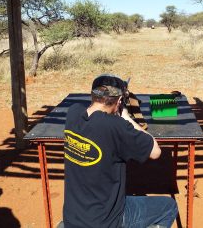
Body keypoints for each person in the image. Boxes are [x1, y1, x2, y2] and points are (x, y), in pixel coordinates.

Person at [61, 74, 178, 228]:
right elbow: (155, 152)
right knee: (169, 207)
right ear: (119, 101)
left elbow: (97, 121)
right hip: (105, 222)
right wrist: (125, 117)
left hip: (72, 218)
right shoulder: (116, 126)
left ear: (93, 95)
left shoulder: (73, 113)